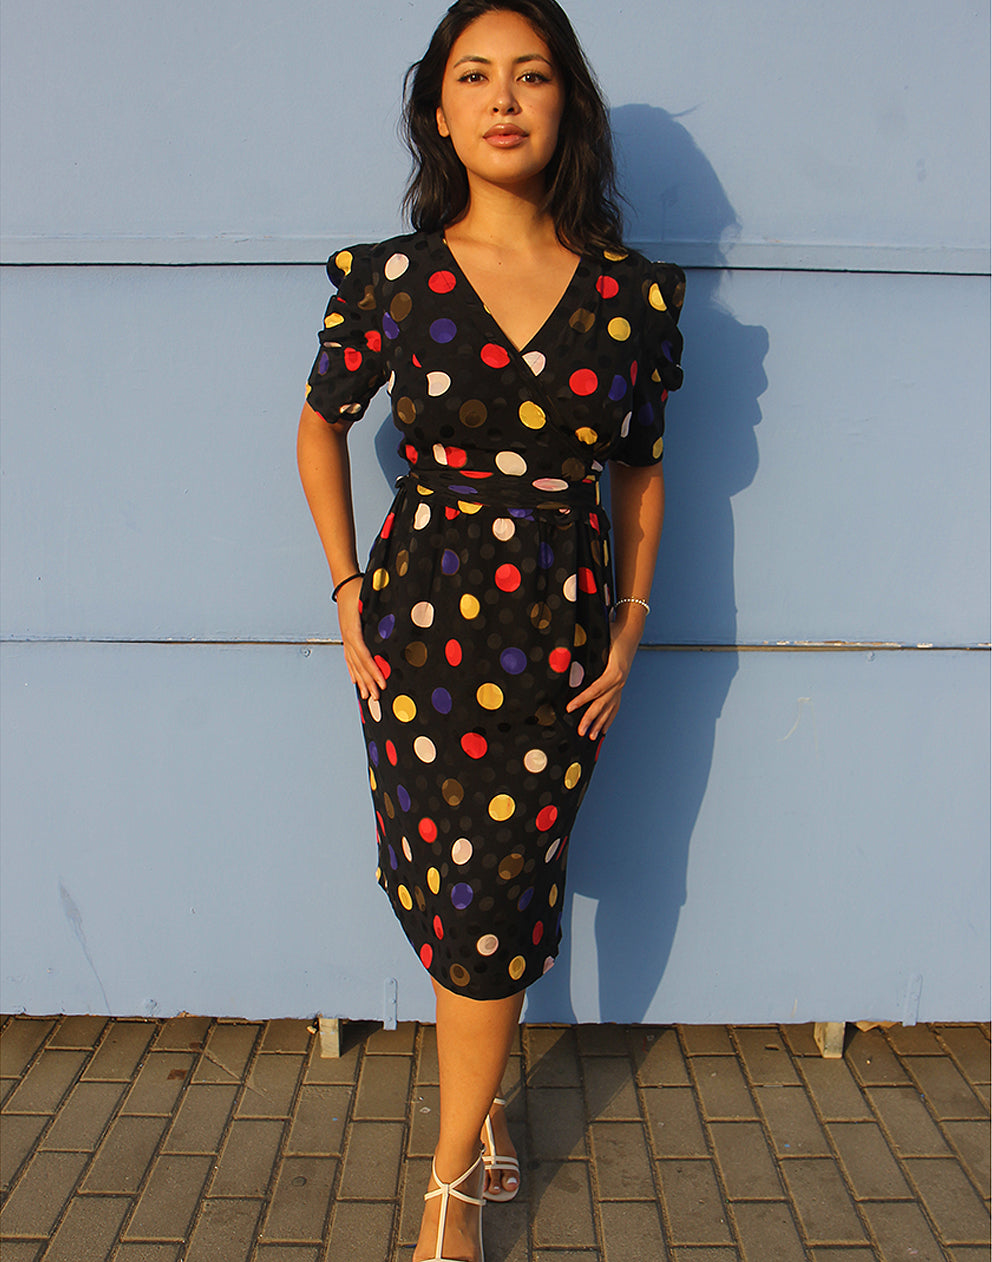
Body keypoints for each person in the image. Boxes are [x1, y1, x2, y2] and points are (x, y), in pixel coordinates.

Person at [297, 2, 684, 1256]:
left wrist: (627, 631)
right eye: (474, 76)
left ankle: (447, 1181)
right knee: (450, 887)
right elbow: (318, 426)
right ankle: (475, 1129)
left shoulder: (627, 296)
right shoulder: (392, 280)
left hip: (555, 638)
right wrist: (346, 593)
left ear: (566, 103)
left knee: (494, 899)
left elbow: (639, 467)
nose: (503, 98)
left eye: (530, 74)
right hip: (417, 627)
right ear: (439, 110)